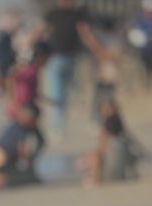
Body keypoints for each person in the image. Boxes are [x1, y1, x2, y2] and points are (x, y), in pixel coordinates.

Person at [37, 0, 104, 139]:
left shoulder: (78, 14)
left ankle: (67, 126)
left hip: (72, 59)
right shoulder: (53, 13)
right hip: (54, 58)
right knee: (57, 94)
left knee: (68, 93)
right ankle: (57, 127)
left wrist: (99, 52)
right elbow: (39, 30)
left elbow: (85, 34)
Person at [78, 100, 142, 186]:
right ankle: (134, 175)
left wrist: (87, 161)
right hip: (121, 176)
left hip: (108, 176)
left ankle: (95, 179)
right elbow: (134, 152)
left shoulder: (107, 135)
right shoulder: (123, 139)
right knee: (130, 154)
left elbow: (99, 152)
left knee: (94, 155)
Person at [0, 103, 45, 191]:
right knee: (26, 179)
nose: (36, 122)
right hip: (1, 160)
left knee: (26, 177)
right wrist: (27, 163)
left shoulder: (24, 125)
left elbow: (41, 141)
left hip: (3, 159)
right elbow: (22, 149)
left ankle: (0, 177)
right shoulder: (20, 128)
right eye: (35, 119)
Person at [7, 41, 51, 121]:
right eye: (47, 58)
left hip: (24, 105)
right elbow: (11, 78)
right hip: (22, 107)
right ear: (41, 56)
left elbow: (32, 89)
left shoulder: (34, 69)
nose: (48, 61)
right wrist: (14, 100)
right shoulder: (31, 69)